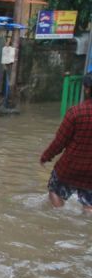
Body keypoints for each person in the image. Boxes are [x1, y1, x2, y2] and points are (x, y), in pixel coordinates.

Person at [40, 73, 92, 214]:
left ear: (86, 89)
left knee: (54, 191)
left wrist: (45, 157)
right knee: (89, 204)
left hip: (70, 168)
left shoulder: (75, 112)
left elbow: (60, 142)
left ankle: (60, 217)